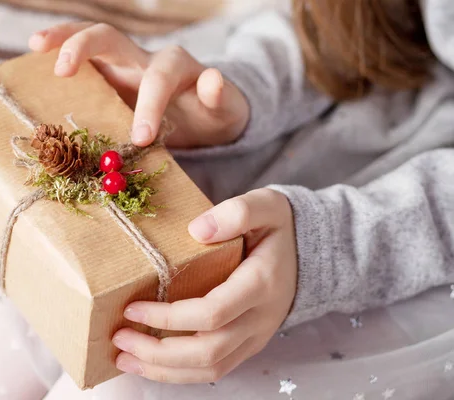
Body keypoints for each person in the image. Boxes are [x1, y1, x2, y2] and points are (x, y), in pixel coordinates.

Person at [27, 0, 454, 387]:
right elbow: (345, 23)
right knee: (22, 300)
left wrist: (327, 250)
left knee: (131, 381)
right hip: (383, 96)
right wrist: (239, 98)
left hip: (418, 235)